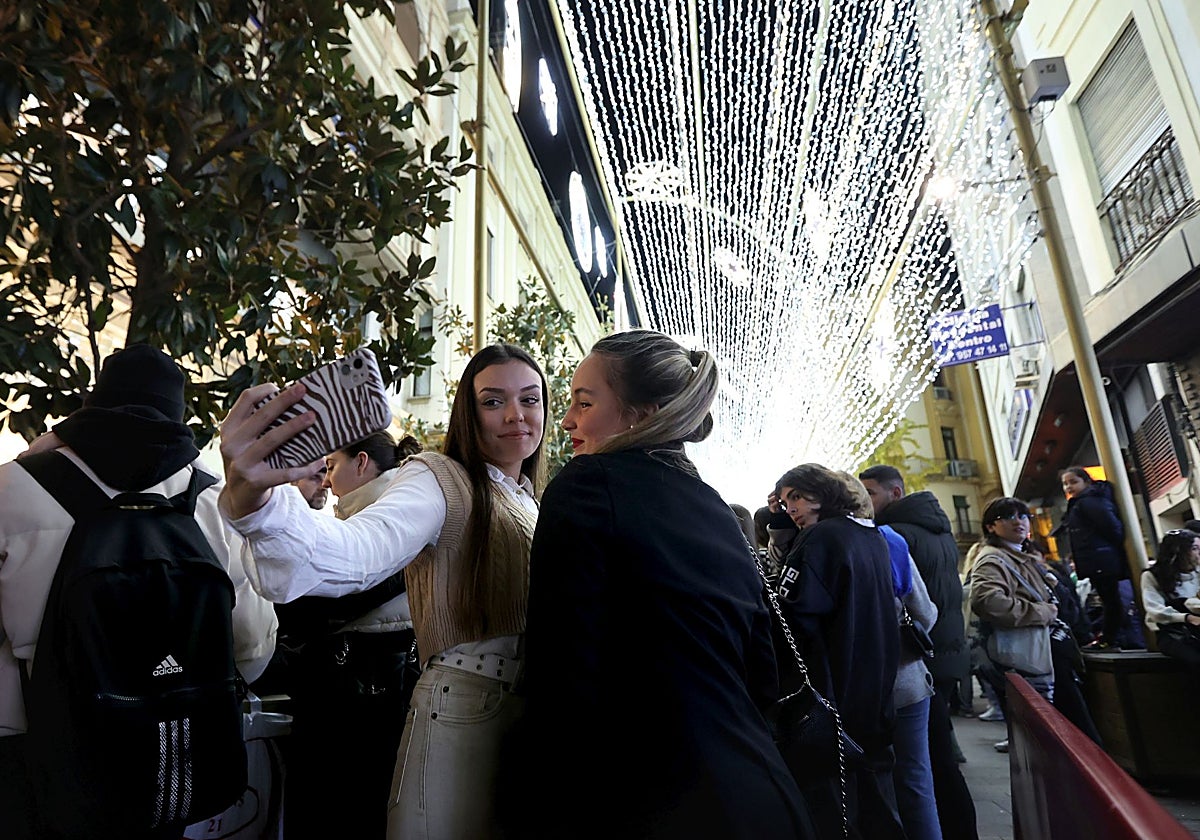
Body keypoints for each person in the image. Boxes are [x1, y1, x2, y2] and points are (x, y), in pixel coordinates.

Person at [218, 343, 547, 840]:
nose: (517, 415)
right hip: (460, 714)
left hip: (516, 721)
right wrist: (259, 504)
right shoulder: (440, 478)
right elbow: (357, 551)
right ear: (467, 411)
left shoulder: (528, 500)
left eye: (531, 398)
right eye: (493, 401)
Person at [515, 330, 814, 839]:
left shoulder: (587, 485)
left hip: (651, 797)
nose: (566, 420)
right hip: (761, 793)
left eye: (583, 403)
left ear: (643, 413)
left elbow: (560, 671)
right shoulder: (717, 508)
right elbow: (763, 672)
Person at [0, 344, 278, 840]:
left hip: (35, 754)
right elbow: (253, 645)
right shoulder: (217, 500)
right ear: (177, 411)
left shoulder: (13, 487)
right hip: (167, 750)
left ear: (95, 403)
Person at [276, 431, 424, 840]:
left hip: (359, 696)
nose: (325, 480)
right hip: (375, 689)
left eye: (330, 467)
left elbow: (328, 601)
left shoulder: (390, 525)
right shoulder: (376, 518)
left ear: (361, 463)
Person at [771, 462, 904, 840]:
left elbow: (791, 622)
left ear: (822, 493)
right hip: (873, 692)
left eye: (797, 496)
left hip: (831, 700)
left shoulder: (820, 539)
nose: (791, 508)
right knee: (875, 806)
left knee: (836, 814)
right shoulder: (871, 535)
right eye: (785, 501)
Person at [859, 464, 977, 840]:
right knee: (937, 760)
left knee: (930, 766)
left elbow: (919, 606)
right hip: (942, 652)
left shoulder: (896, 536)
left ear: (894, 494)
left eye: (871, 493)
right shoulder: (937, 528)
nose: (865, 502)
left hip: (920, 658)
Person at [843, 473, 942, 840]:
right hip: (909, 681)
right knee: (916, 780)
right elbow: (927, 613)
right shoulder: (890, 540)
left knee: (875, 786)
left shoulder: (825, 544)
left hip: (860, 690)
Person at [968, 497, 1058, 753]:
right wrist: (1040, 612)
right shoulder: (993, 560)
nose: (1018, 521)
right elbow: (989, 602)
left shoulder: (1021, 555)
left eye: (1023, 516)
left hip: (1038, 650)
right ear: (990, 527)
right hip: (1024, 654)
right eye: (1008, 517)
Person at [1054, 466, 1132, 649]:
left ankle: (1111, 639)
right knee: (1109, 600)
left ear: (1086, 481)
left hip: (1102, 561)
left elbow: (1113, 528)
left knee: (1111, 601)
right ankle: (1110, 638)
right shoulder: (1082, 502)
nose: (1068, 487)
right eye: (1065, 484)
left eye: (1073, 482)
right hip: (1099, 560)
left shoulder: (1089, 502)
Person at [1141, 529, 1200, 671]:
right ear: (1179, 552)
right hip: (1174, 632)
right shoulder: (1153, 576)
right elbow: (1155, 610)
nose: (1199, 553)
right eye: (1194, 548)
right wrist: (1187, 618)